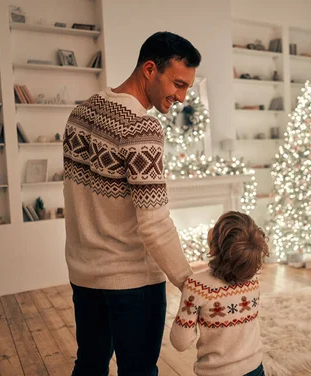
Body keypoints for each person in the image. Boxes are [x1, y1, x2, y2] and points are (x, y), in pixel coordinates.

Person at [63, 31, 201, 376]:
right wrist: (189, 283)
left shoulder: (80, 113)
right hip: (132, 283)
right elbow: (154, 224)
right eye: (178, 84)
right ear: (150, 69)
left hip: (84, 273)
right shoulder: (142, 127)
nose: (182, 97)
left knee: (90, 364)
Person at [170, 211, 269, 376]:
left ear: (215, 247)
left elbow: (180, 342)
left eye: (215, 227)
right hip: (255, 368)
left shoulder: (197, 286)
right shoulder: (252, 282)